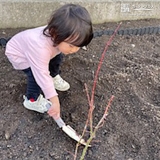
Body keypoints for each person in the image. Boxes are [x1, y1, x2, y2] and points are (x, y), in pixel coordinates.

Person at [5, 4, 93, 120]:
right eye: (71, 46)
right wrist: (54, 100)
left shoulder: (60, 35)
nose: (74, 50)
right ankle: (32, 100)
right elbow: (41, 74)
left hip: (40, 50)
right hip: (19, 54)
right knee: (35, 75)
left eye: (78, 46)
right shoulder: (40, 47)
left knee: (57, 57)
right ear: (56, 33)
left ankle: (54, 75)